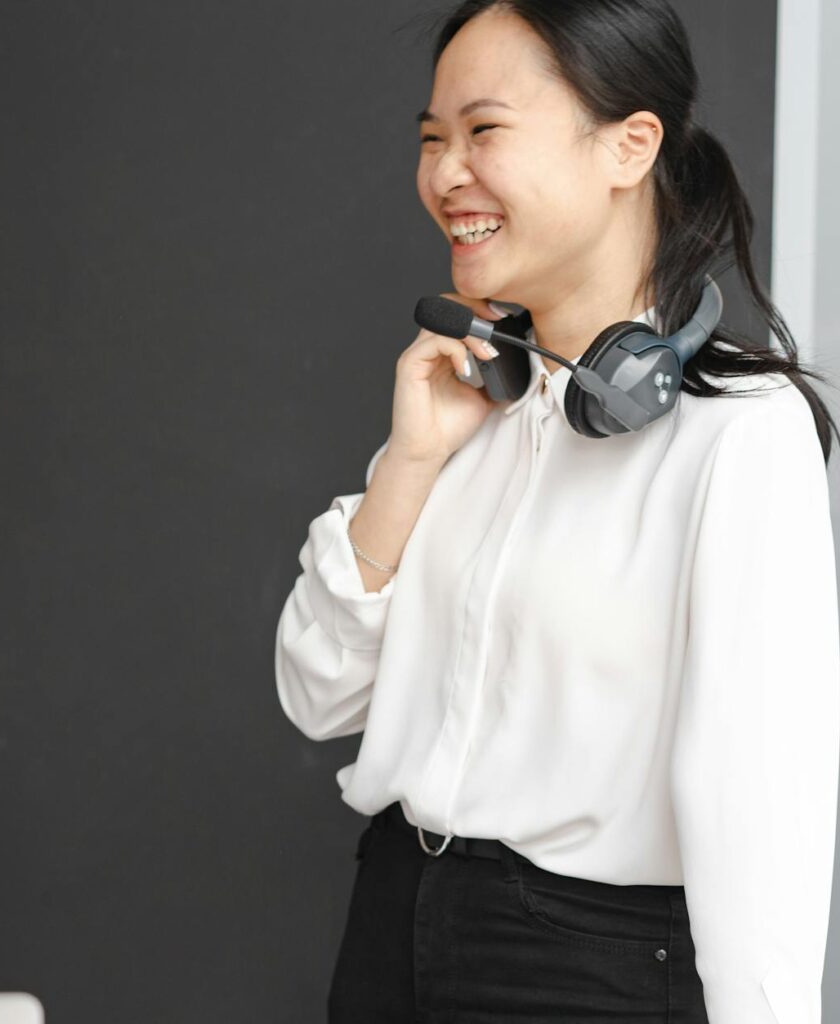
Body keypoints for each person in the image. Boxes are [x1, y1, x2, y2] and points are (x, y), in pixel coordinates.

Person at [273, 2, 839, 1021]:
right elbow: (316, 693)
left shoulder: (742, 438)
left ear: (630, 145)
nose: (447, 174)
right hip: (391, 931)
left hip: (589, 973)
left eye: (484, 131)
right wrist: (408, 464)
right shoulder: (464, 408)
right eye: (432, 140)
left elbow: (760, 817)